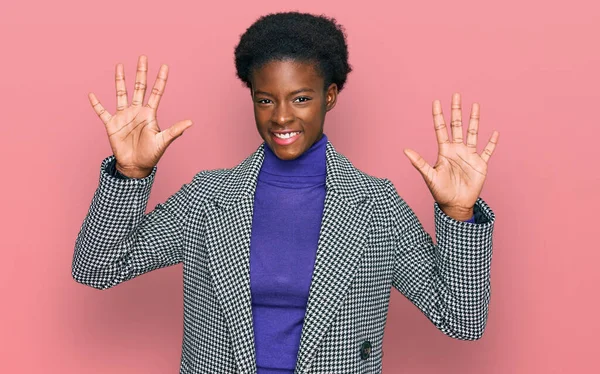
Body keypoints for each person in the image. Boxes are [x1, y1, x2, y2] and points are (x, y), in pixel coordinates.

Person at [72, 12, 499, 374]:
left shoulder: (377, 207)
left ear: (329, 97)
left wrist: (458, 212)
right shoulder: (208, 198)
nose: (281, 117)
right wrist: (131, 172)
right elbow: (99, 268)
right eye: (265, 100)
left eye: (300, 98)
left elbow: (461, 319)